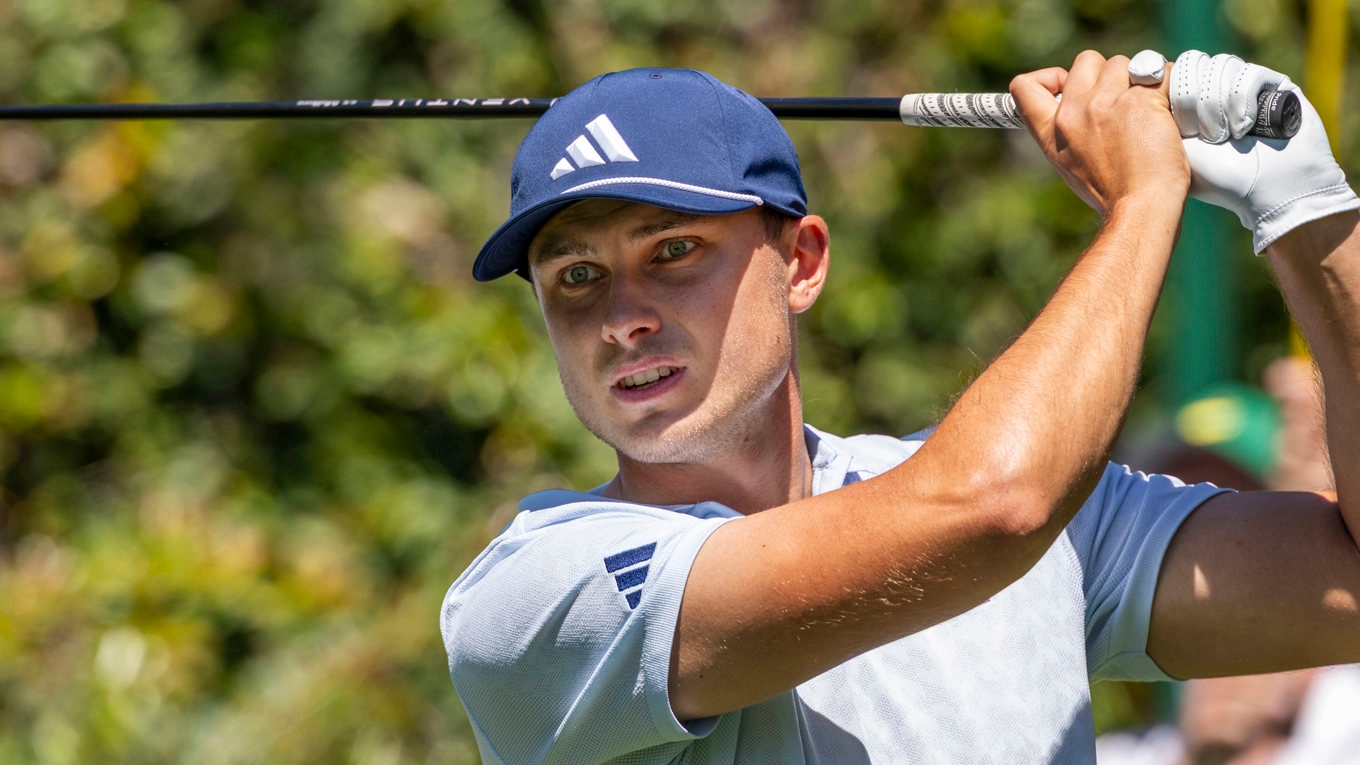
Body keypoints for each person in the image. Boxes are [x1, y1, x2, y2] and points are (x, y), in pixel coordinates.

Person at [441, 49, 1360, 763]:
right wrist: (1145, 200)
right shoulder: (532, 596)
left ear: (802, 263)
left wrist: (1306, 211)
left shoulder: (1043, 520)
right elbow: (996, 503)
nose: (622, 320)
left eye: (672, 251)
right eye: (577, 277)